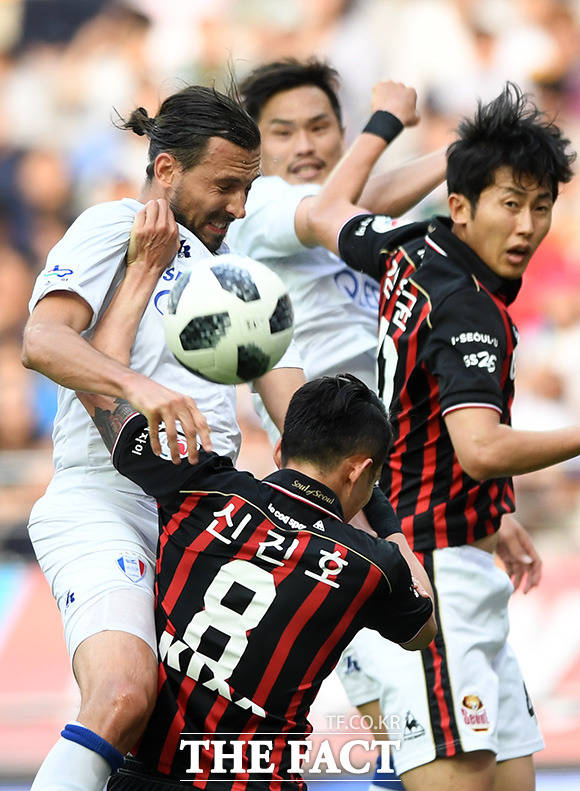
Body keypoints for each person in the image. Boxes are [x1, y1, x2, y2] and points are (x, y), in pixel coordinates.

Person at [68, 242, 437, 789]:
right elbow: (423, 627)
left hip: (150, 776)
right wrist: (383, 519)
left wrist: (143, 272)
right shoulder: (371, 566)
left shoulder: (204, 486)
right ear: (360, 472)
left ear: (284, 449)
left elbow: (95, 391)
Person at [21, 85, 305, 791]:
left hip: (201, 527)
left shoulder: (233, 273)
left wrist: (377, 522)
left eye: (249, 188)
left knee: (191, 748)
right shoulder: (112, 225)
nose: (238, 206)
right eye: (226, 185)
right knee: (120, 694)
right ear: (169, 170)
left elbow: (294, 413)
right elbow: (42, 339)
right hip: (105, 502)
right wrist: (138, 388)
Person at [300, 82, 575, 789]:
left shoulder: (413, 246)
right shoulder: (472, 311)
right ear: (462, 206)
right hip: (428, 573)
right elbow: (479, 448)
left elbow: (330, 211)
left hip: (452, 553)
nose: (528, 226)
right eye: (510, 203)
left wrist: (490, 516)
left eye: (541, 206)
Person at [228, 59, 446, 402]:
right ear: (256, 149)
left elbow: (352, 204)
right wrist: (386, 120)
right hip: (327, 429)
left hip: (396, 424)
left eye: (318, 128)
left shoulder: (359, 213)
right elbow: (327, 211)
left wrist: (461, 152)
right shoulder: (257, 203)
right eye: (283, 133)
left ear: (344, 136)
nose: (304, 146)